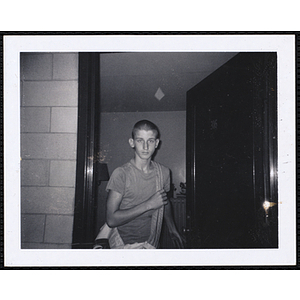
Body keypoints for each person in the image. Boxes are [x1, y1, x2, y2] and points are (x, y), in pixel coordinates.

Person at [104, 120, 184, 249]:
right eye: (140, 140)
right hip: (124, 244)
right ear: (132, 142)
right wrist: (149, 204)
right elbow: (111, 220)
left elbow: (164, 201)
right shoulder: (121, 174)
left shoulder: (163, 172)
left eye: (150, 141)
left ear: (156, 143)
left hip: (152, 242)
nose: (145, 146)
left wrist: (172, 229)